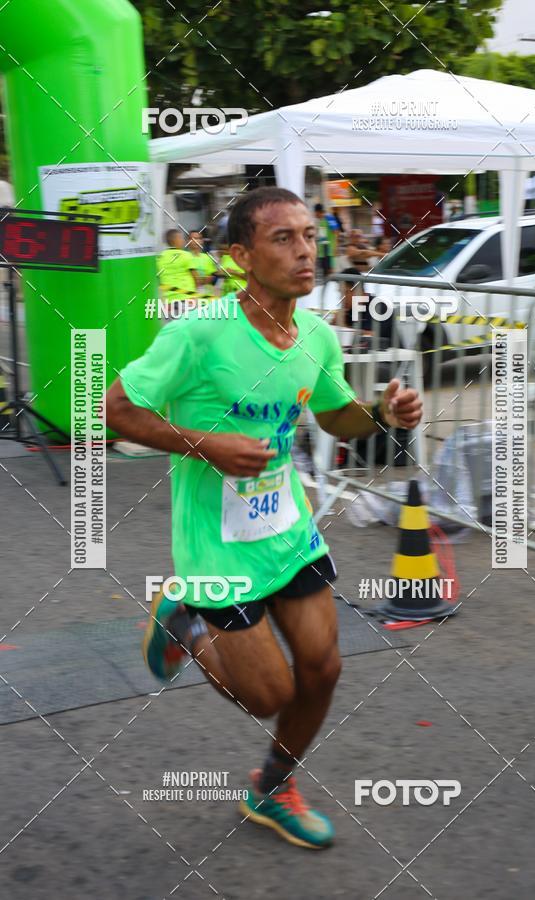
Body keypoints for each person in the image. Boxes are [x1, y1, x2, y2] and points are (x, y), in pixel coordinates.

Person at [104, 186, 422, 851]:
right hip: (216, 548)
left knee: (324, 668)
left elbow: (335, 414)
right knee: (267, 694)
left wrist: (383, 416)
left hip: (287, 527)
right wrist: (208, 443)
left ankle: (273, 787)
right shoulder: (197, 333)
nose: (305, 251)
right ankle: (185, 619)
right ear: (242, 256)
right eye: (284, 239)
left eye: (309, 235)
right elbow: (117, 411)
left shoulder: (314, 334)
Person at [157, 229, 200, 303]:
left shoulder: (160, 257)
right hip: (187, 298)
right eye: (181, 238)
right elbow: (196, 277)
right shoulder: (186, 255)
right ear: (175, 240)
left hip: (169, 300)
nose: (183, 241)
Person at [187, 230, 218, 300]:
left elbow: (211, 278)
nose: (196, 241)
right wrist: (203, 279)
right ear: (188, 241)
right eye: (193, 238)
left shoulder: (207, 257)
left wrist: (199, 279)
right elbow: (197, 281)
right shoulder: (185, 257)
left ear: (202, 241)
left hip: (208, 299)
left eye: (198, 238)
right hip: (191, 299)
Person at [314, 202, 335, 280]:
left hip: (328, 250)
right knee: (324, 274)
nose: (315, 214)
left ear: (318, 212)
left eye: (315, 212)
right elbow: (322, 236)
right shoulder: (321, 221)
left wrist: (334, 248)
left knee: (329, 274)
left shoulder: (329, 218)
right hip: (323, 250)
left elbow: (336, 232)